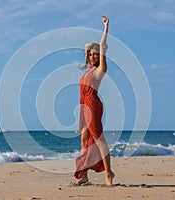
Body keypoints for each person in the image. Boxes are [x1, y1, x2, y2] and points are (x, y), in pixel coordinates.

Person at [74, 16, 114, 186]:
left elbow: (103, 47)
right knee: (84, 141)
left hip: (93, 104)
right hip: (84, 106)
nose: (92, 56)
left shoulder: (100, 70)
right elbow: (86, 48)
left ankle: (108, 174)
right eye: (90, 54)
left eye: (95, 54)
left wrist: (106, 28)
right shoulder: (86, 72)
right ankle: (83, 176)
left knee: (99, 139)